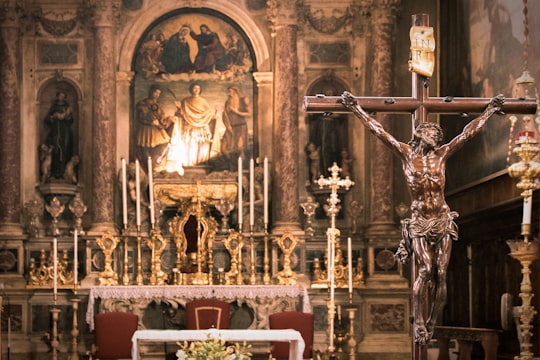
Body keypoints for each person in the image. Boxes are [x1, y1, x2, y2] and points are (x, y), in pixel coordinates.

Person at [340, 91, 505, 345]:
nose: (438, 137)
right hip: (419, 220)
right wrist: (356, 109)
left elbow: (467, 134)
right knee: (426, 269)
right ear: (420, 134)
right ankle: (417, 320)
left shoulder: (442, 155)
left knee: (441, 271)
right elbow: (379, 132)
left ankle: (432, 322)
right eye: (433, 133)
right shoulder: (406, 154)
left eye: (439, 135)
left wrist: (490, 111)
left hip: (441, 217)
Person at [176, 83, 217, 165]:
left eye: (198, 88)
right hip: (190, 127)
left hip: (201, 127)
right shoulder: (186, 101)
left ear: (200, 90)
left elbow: (208, 113)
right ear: (191, 89)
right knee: (191, 145)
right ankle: (191, 163)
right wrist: (179, 109)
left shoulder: (203, 101)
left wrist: (214, 113)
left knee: (202, 145)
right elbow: (182, 114)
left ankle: (201, 162)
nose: (196, 90)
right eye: (194, 88)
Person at [135, 85, 174, 166]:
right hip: (146, 129)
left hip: (156, 128)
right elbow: (141, 116)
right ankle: (148, 166)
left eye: (158, 93)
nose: (156, 94)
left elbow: (161, 115)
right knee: (145, 147)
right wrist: (150, 121)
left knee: (165, 142)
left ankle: (156, 163)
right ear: (151, 92)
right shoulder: (142, 103)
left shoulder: (158, 104)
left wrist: (167, 119)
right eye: (155, 92)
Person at [44, 91, 75, 180]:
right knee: (55, 150)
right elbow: (47, 120)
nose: (61, 97)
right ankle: (55, 172)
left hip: (65, 131)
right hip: (55, 132)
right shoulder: (54, 107)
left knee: (65, 150)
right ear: (57, 96)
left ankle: (63, 172)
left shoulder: (67, 107)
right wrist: (53, 117)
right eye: (60, 96)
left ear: (64, 97)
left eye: (63, 96)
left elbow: (71, 121)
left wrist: (66, 117)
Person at [221, 86, 251, 159]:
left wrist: (237, 112)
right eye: (229, 92)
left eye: (231, 92)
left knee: (239, 148)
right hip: (230, 127)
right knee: (224, 149)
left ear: (235, 92)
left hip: (241, 127)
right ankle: (231, 165)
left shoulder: (243, 100)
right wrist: (228, 126)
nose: (229, 94)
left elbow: (249, 114)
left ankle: (240, 166)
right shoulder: (227, 103)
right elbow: (225, 116)